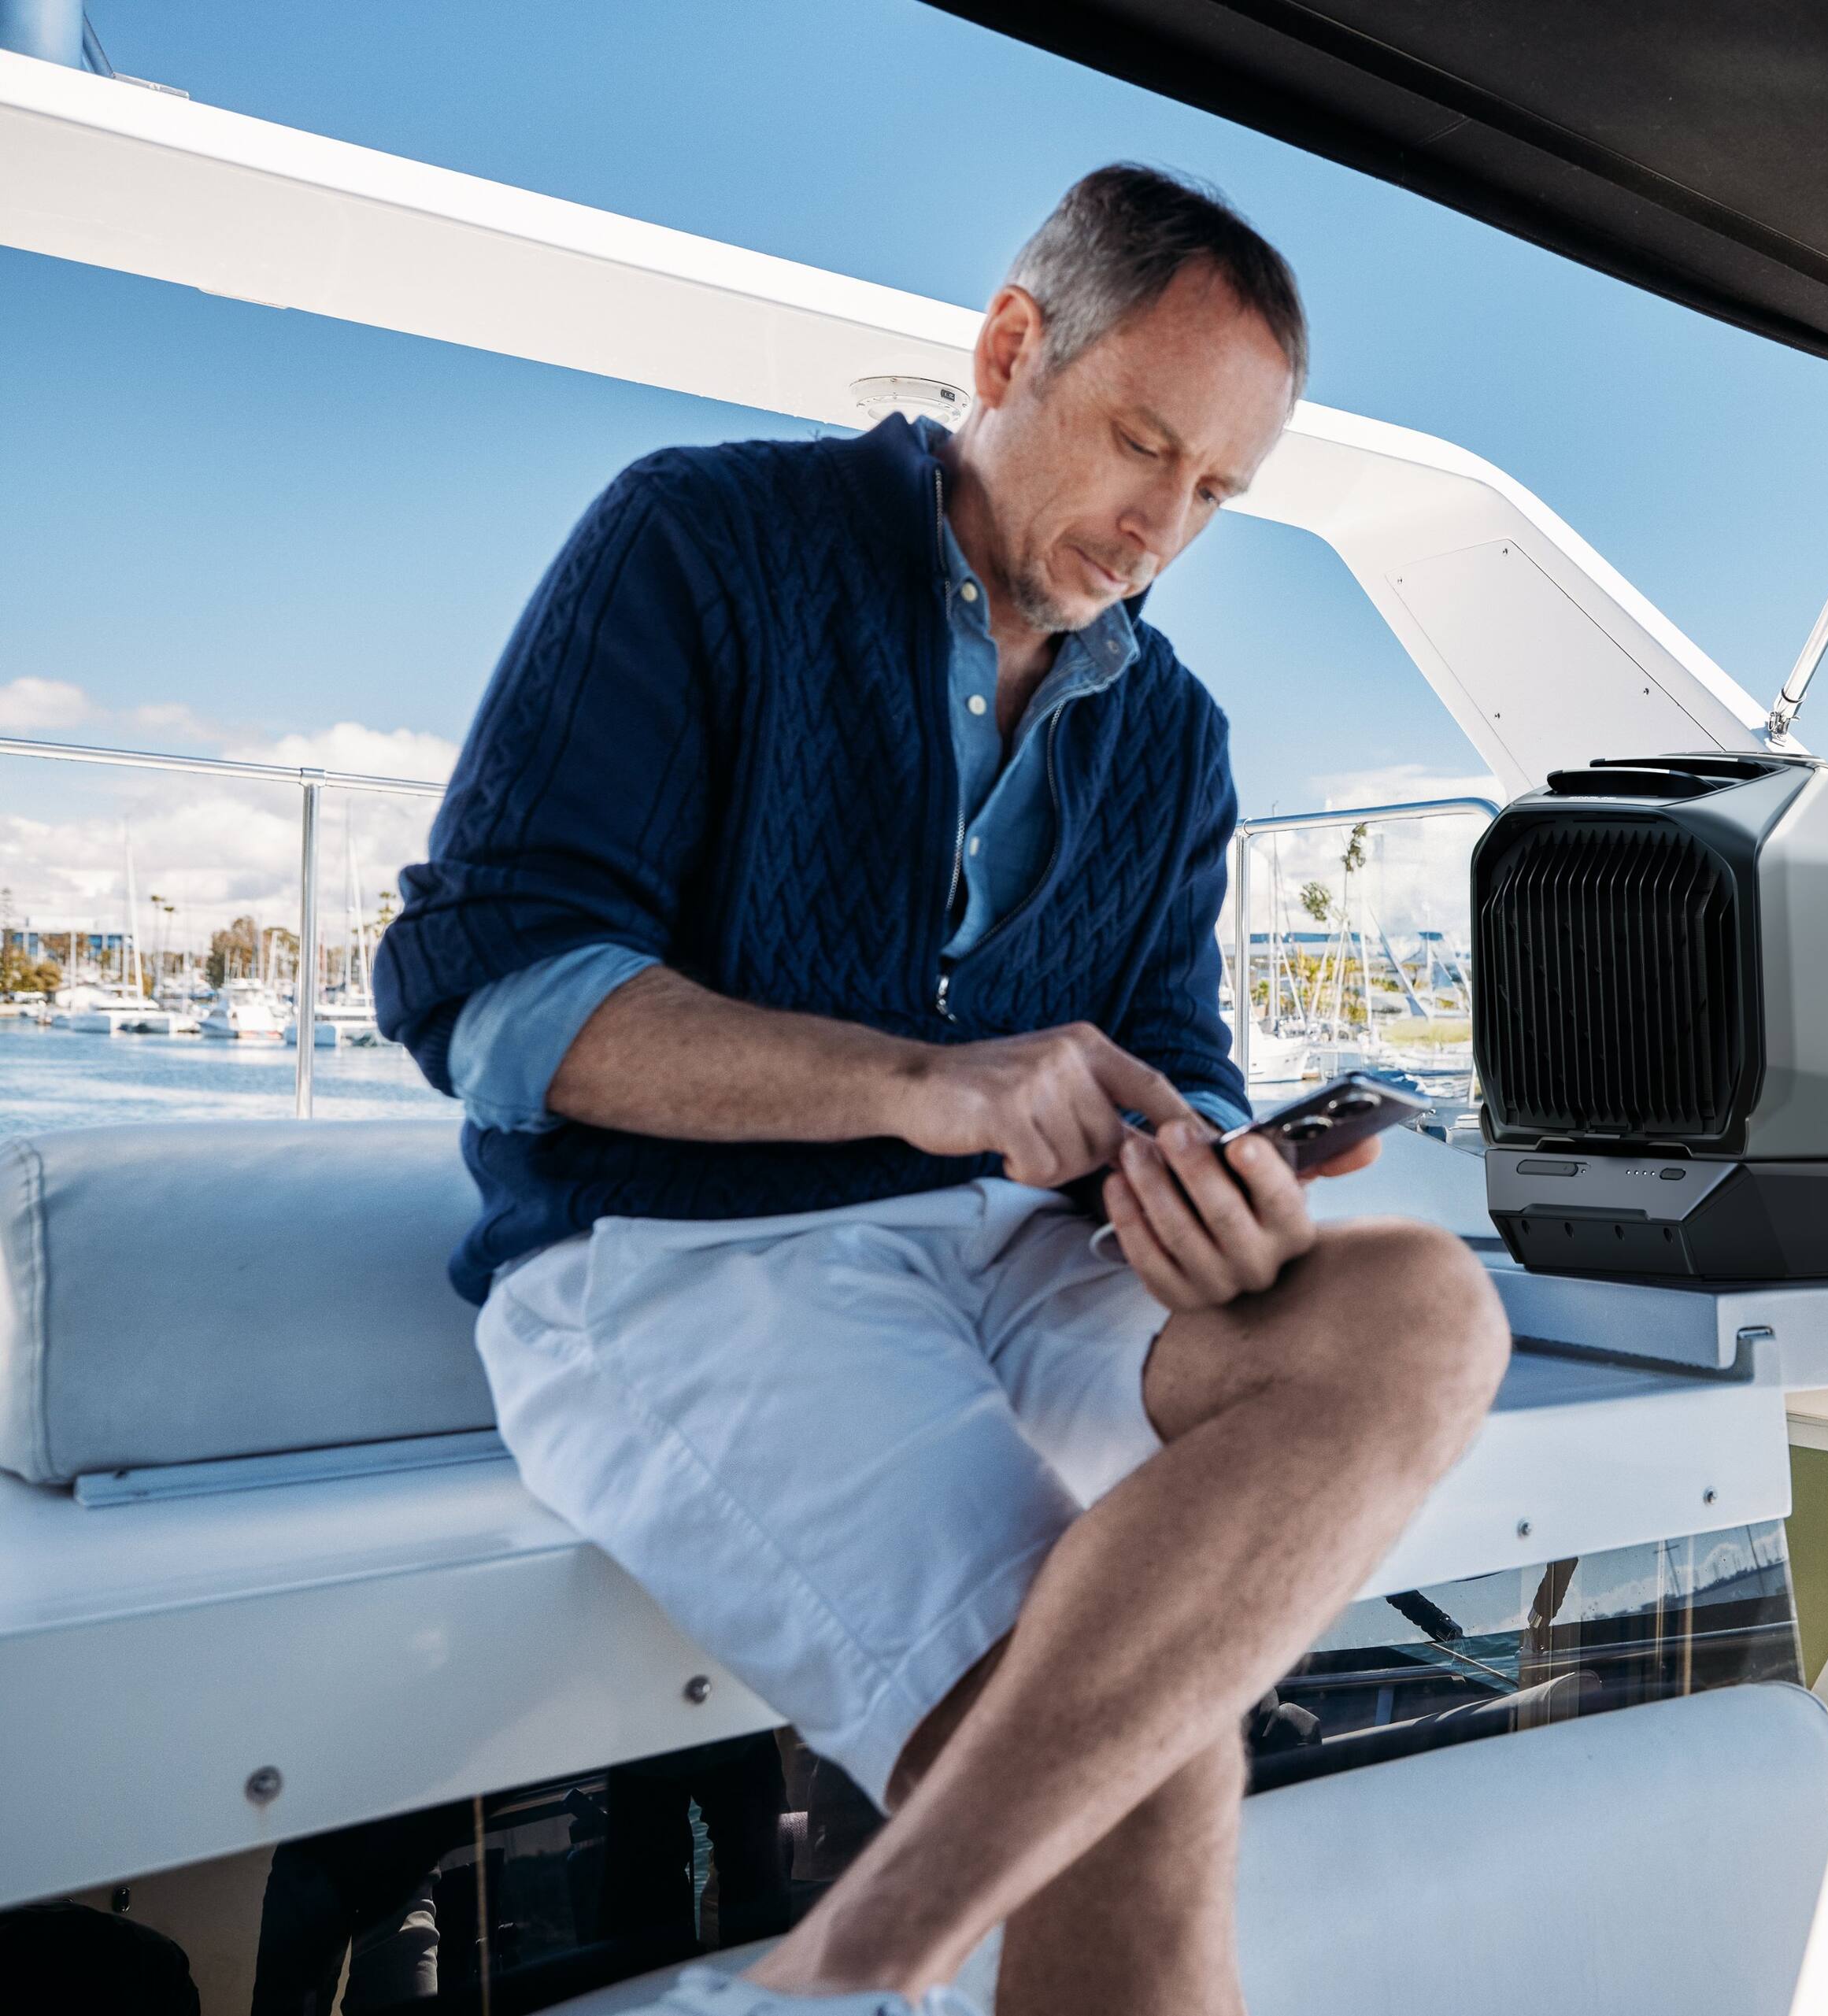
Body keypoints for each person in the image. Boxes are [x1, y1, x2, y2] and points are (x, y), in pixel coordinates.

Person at [376, 164, 1511, 2015]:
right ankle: (852, 1967)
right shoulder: (704, 539)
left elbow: (1170, 1048)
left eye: (1217, 493)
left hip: (1020, 1264)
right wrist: (928, 1084)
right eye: (1142, 441)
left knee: (1420, 1315)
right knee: (1140, 1772)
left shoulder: (1176, 736)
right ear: (1009, 348)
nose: (1161, 523)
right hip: (679, 1259)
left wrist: (1205, 1183)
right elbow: (486, 988)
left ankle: (830, 1973)